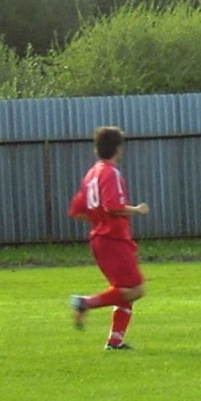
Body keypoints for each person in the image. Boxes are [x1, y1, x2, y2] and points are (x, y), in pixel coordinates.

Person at [68, 126, 150, 350]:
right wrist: (137, 210)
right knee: (136, 289)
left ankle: (115, 341)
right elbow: (113, 206)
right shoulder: (109, 172)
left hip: (100, 239)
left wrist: (98, 219)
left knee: (124, 291)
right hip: (112, 238)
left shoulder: (91, 174)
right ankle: (85, 302)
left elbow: (76, 211)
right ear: (117, 148)